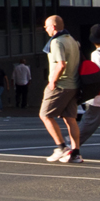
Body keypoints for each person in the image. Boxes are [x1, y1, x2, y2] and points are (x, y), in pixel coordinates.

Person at [39, 15, 81, 163]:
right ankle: (76, 153)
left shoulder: (57, 42)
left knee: (45, 115)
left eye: (46, 26)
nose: (45, 29)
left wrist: (52, 81)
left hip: (61, 85)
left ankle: (61, 147)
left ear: (54, 27)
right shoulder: (73, 41)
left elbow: (61, 64)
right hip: (74, 85)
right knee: (71, 119)